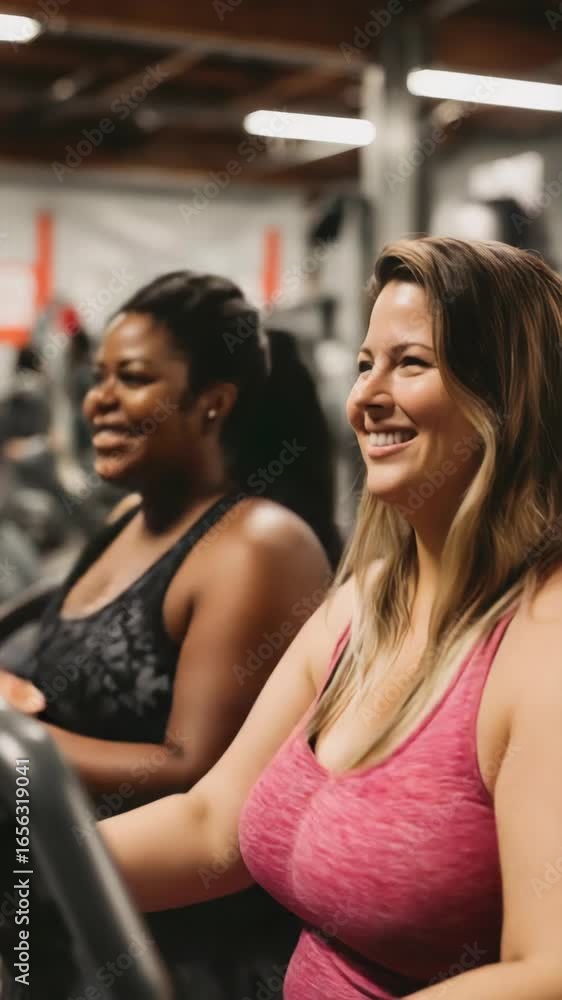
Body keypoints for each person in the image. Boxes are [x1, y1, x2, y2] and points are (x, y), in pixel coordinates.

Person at [99, 238, 562, 999]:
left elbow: (546, 971)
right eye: (364, 365)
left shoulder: (541, 645)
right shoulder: (362, 606)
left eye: (411, 364)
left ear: (509, 398)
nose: (366, 397)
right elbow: (214, 827)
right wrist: (31, 869)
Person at [0, 271, 334, 999]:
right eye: (99, 377)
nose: (98, 400)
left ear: (213, 401)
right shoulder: (129, 519)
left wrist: (26, 745)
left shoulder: (257, 545)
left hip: (163, 946)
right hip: (56, 895)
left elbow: (196, 775)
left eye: (133, 378)